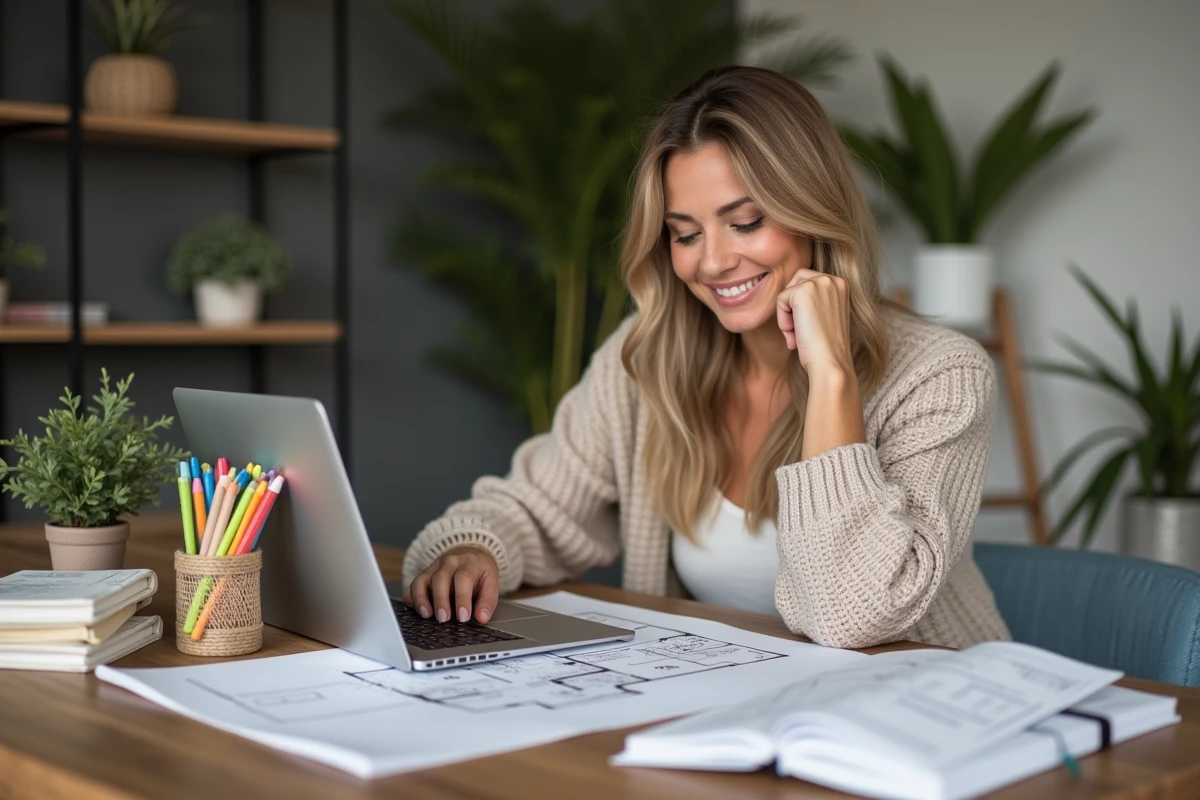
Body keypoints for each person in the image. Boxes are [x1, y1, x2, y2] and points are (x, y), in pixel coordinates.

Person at [402, 66, 1010, 649]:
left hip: (918, 722)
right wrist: (472, 547)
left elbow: (852, 614)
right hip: (734, 711)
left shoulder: (940, 376)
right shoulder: (648, 358)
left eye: (744, 222)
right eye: (685, 234)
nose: (712, 262)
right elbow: (538, 509)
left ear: (816, 214)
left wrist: (831, 378)